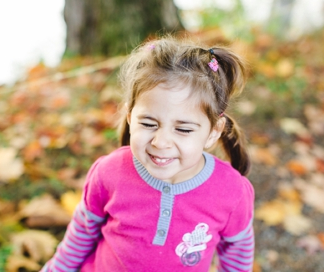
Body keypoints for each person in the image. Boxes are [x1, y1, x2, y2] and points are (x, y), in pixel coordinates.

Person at [42, 37, 255, 271]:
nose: (161, 142)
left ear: (213, 131)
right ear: (130, 117)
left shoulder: (232, 192)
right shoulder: (108, 173)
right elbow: (81, 234)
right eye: (148, 124)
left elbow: (237, 255)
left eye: (183, 129)